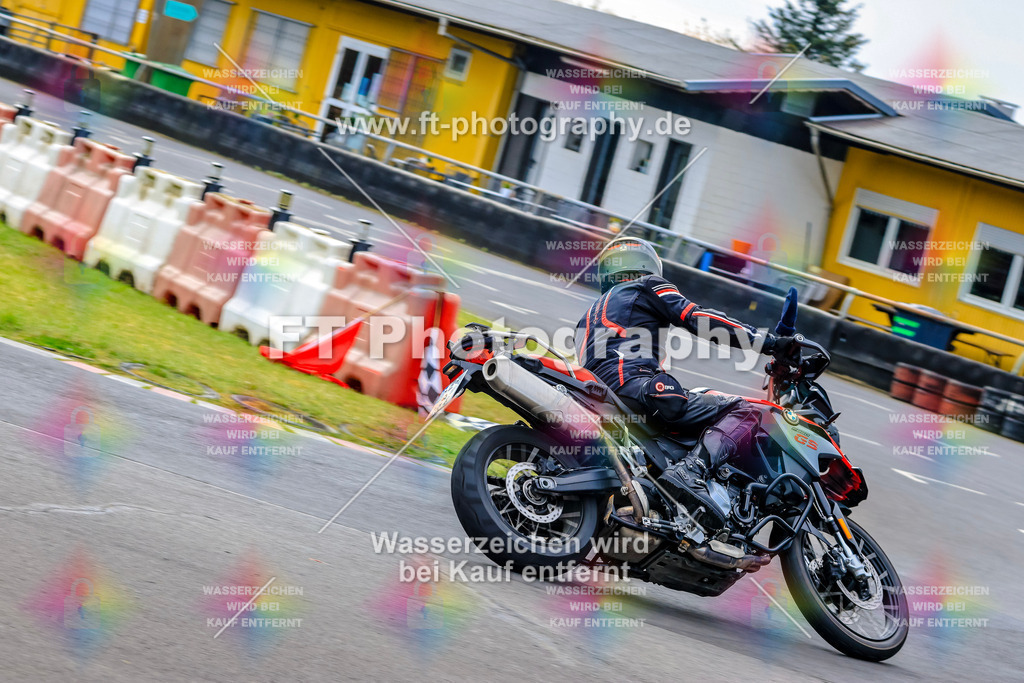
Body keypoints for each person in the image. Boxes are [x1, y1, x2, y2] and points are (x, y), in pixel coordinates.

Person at [574, 237, 796, 524]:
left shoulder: (588, 315)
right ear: (647, 264)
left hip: (600, 399)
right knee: (751, 411)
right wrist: (769, 342)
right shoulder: (646, 285)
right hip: (636, 389)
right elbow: (698, 317)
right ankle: (691, 471)